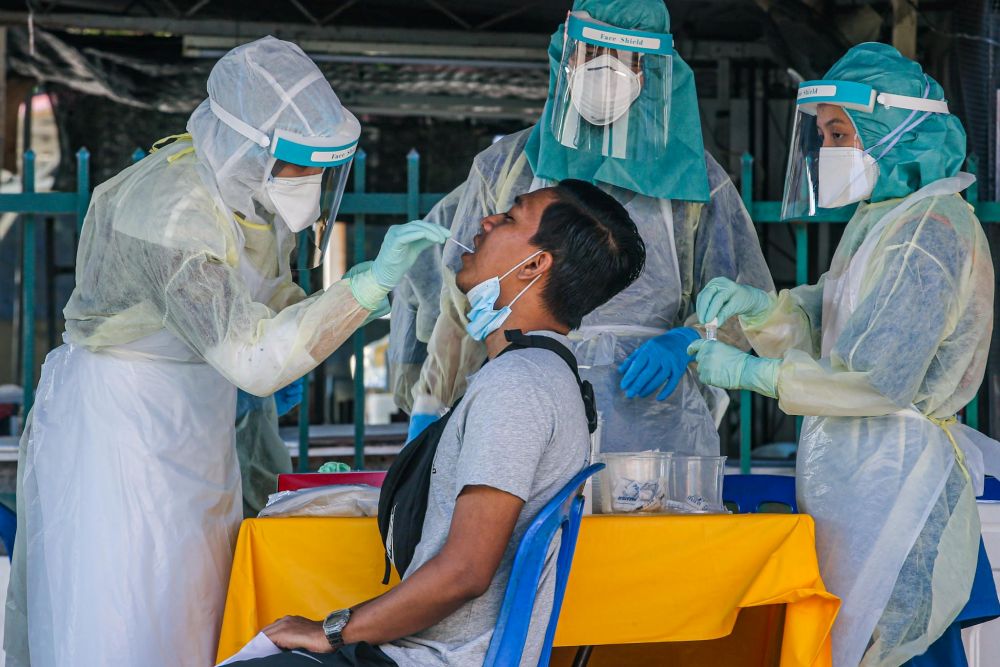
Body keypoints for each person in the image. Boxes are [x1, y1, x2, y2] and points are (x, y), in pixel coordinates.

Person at [4, 37, 448, 667]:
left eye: (320, 168)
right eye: (298, 165)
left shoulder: (248, 198)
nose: (309, 183)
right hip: (123, 427)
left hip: (200, 419)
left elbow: (266, 306)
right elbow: (254, 357)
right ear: (248, 146)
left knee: (200, 604)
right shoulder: (170, 209)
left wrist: (314, 318)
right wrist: (366, 286)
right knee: (130, 614)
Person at [226, 180, 646, 667]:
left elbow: (466, 571)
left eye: (510, 217)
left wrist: (331, 630)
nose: (486, 222)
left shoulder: (518, 385)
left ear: (534, 265)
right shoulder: (545, 373)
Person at [688, 43, 1000, 666]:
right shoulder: (884, 219)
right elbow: (836, 322)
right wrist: (764, 310)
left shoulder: (927, 232)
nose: (828, 149)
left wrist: (758, 373)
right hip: (860, 476)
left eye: (838, 132)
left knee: (894, 646)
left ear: (894, 132)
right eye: (825, 133)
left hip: (899, 482)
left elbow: (878, 378)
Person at [389, 0, 773, 456]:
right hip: (522, 404)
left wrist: (688, 338)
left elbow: (743, 295)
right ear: (565, 57)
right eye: (589, 54)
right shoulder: (509, 166)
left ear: (650, 68)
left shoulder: (696, 180)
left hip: (654, 422)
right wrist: (431, 405)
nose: (602, 72)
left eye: (623, 58)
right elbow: (461, 301)